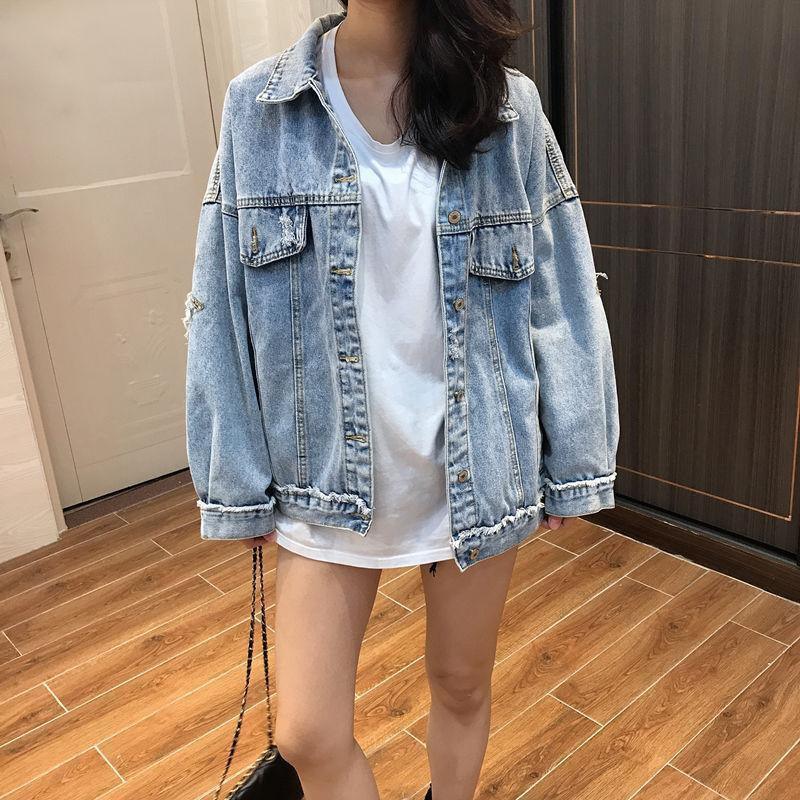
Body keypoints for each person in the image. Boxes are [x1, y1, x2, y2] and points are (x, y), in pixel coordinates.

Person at [183, 2, 619, 798]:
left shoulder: (508, 108)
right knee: (308, 733)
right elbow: (221, 301)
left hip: (477, 470)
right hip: (324, 476)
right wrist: (235, 481)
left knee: (461, 684)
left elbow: (560, 294)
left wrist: (575, 457)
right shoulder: (261, 107)